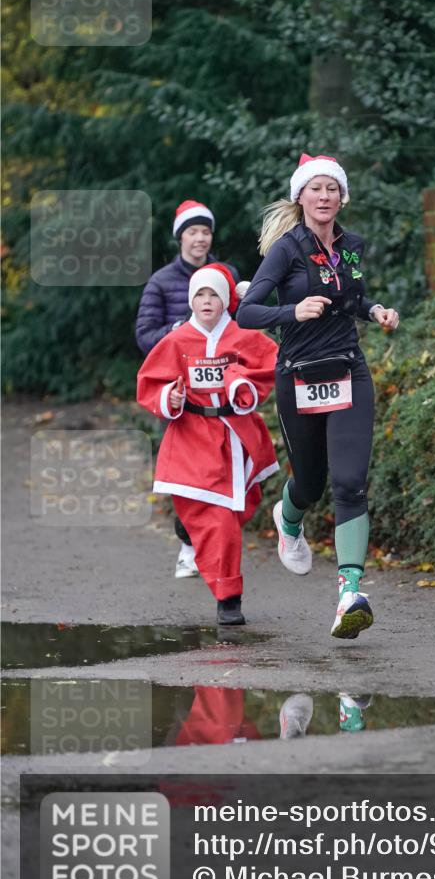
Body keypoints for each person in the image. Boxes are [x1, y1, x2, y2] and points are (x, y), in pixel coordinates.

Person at [237, 153, 399, 640]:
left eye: (332, 189)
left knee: (350, 483)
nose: (325, 196)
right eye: (316, 189)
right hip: (299, 375)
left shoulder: (351, 246)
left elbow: (348, 297)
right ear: (300, 197)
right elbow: (247, 313)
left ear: (342, 197)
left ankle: (350, 592)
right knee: (310, 483)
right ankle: (288, 518)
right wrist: (292, 310)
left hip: (349, 370)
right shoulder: (285, 250)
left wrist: (375, 311)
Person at [137, 264, 279, 635]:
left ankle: (189, 528)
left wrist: (241, 383)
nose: (206, 301)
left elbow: (272, 365)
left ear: (225, 300)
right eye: (199, 294)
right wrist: (171, 395)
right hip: (191, 436)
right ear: (190, 300)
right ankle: (228, 599)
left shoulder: (243, 335)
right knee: (220, 521)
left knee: (240, 510)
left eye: (213, 294)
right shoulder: (176, 340)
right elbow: (150, 383)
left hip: (237, 435)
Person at [135, 200, 246, 579]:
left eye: (205, 232)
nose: (200, 239)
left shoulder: (226, 274)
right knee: (186, 474)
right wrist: (179, 331)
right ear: (180, 236)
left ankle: (219, 542)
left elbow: (242, 326)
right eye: (192, 232)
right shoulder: (162, 281)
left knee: (224, 468)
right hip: (180, 390)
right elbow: (144, 335)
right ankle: (187, 544)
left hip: (224, 390)